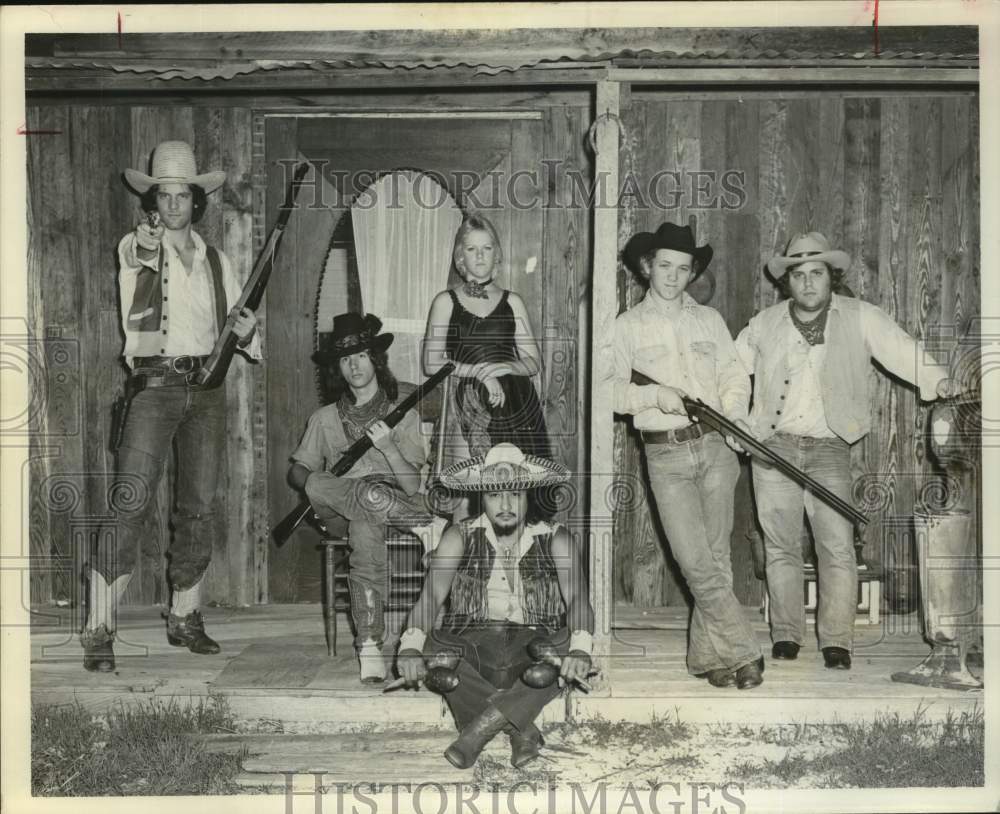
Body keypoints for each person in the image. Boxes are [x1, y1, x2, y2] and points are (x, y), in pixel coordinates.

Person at [736, 232, 956, 670]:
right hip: (772, 446)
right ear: (788, 283)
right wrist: (736, 421)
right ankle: (786, 635)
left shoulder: (860, 317)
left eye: (817, 273)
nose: (809, 283)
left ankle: (837, 641)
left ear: (831, 277)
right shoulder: (764, 323)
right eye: (798, 275)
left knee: (836, 547)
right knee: (780, 546)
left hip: (830, 447)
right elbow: (730, 373)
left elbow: (902, 350)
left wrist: (940, 381)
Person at [81, 140, 261, 672]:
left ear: (196, 201)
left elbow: (237, 330)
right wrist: (145, 242)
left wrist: (248, 333)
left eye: (183, 194)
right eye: (165, 194)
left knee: (198, 509)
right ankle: (98, 628)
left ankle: (185, 616)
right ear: (152, 201)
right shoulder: (134, 248)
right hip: (152, 390)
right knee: (129, 503)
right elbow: (136, 253)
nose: (174, 204)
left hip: (206, 391)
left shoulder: (217, 260)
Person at [613, 221, 763, 690]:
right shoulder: (626, 327)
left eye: (682, 268)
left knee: (716, 559)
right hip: (666, 455)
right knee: (694, 560)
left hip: (716, 445)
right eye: (664, 266)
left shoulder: (710, 321)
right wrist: (655, 396)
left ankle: (706, 659)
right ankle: (745, 650)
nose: (673, 276)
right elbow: (610, 391)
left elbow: (733, 376)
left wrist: (736, 414)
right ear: (646, 267)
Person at [396, 443, 593, 769]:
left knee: (563, 645)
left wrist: (582, 649)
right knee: (435, 650)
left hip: (532, 647)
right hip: (474, 648)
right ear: (480, 497)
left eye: (514, 494)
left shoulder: (557, 538)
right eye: (493, 495)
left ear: (528, 494)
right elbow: (431, 595)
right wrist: (410, 647)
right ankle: (522, 728)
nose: (505, 505)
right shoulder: (459, 536)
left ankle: (475, 733)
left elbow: (577, 599)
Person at [289, 312, 434, 683]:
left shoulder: (403, 414)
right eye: (345, 358)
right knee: (319, 484)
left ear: (376, 359)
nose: (354, 365)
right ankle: (428, 529)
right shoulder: (324, 418)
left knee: (364, 524)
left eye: (361, 355)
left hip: (395, 503)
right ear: (338, 367)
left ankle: (369, 644)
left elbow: (413, 486)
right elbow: (300, 470)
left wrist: (387, 447)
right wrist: (310, 480)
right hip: (340, 504)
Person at [422, 214, 552, 511]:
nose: (479, 256)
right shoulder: (445, 301)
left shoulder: (512, 301)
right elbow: (432, 362)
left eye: (486, 248)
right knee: (468, 498)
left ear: (496, 255)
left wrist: (507, 367)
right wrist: (480, 374)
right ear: (460, 257)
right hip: (464, 405)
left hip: (516, 406)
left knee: (515, 501)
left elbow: (534, 361)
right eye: (471, 249)